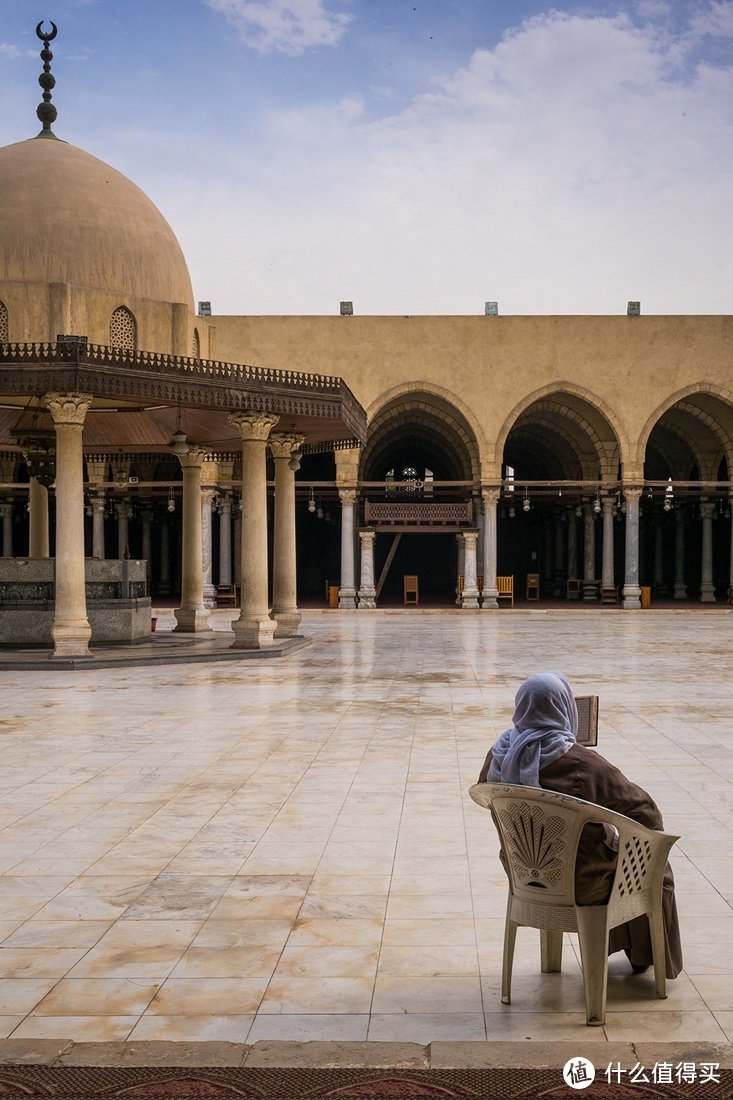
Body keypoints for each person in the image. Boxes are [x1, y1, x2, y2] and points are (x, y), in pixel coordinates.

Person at [478, 671, 682, 978]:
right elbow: (647, 813)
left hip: (524, 877)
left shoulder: (498, 755)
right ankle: (644, 954)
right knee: (653, 868)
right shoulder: (580, 763)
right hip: (585, 883)